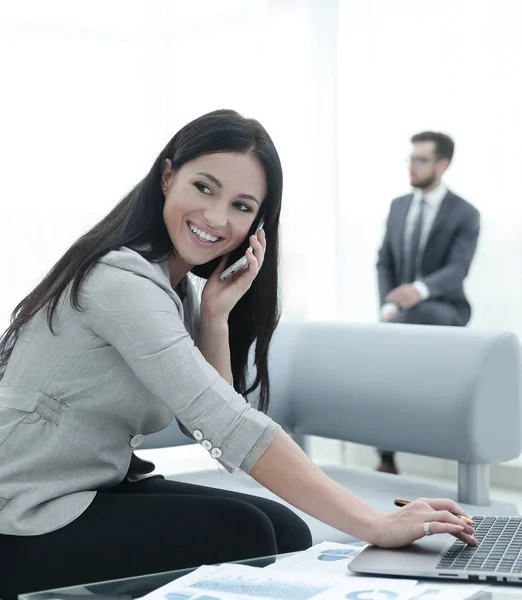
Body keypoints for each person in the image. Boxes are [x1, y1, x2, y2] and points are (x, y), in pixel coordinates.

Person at [0, 111, 476, 599]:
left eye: (242, 205)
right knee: (245, 534)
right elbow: (225, 424)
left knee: (284, 531)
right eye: (205, 188)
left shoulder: (175, 286)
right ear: (168, 176)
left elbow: (202, 421)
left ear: (257, 224)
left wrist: (215, 317)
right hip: (23, 514)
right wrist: (374, 522)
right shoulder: (121, 281)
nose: (217, 218)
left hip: (92, 488)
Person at [376, 131, 480, 475]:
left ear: (442, 164)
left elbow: (458, 269)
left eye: (420, 160)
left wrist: (418, 290)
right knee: (380, 350)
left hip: (443, 309)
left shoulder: (465, 213)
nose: (412, 167)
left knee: (414, 318)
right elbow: (385, 261)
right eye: (410, 159)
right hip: (399, 314)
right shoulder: (398, 206)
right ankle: (386, 456)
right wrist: (388, 305)